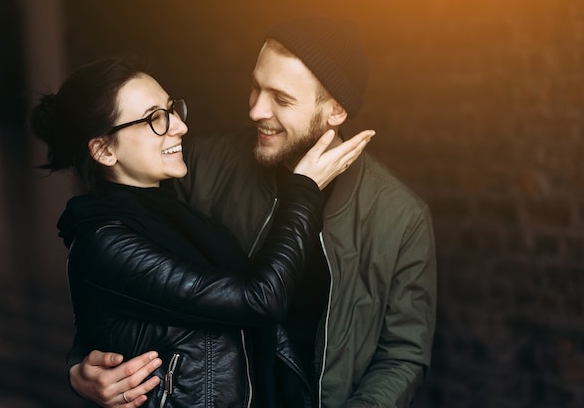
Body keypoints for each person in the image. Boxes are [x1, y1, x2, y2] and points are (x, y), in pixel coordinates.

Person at [69, 16, 437, 408]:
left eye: (281, 99)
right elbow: (126, 275)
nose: (257, 110)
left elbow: (403, 354)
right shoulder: (200, 166)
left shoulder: (400, 216)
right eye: (255, 87)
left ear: (336, 111)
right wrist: (81, 367)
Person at [31, 58, 374, 408]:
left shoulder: (176, 208)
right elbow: (258, 299)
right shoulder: (104, 240)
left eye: (171, 110)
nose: (179, 126)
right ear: (104, 150)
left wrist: (78, 364)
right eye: (155, 119)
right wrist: (303, 192)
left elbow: (124, 316)